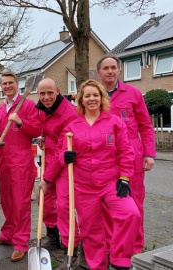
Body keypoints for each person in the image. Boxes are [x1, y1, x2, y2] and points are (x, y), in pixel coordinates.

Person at [41, 79, 140, 270]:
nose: (92, 99)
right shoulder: (73, 126)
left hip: (110, 182)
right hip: (84, 186)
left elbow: (126, 151)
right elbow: (60, 154)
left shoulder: (114, 122)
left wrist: (125, 177)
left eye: (95, 95)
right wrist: (64, 157)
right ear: (81, 100)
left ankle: (120, 260)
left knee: (130, 214)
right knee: (91, 231)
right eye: (87, 96)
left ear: (102, 98)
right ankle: (98, 266)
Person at [97, 55, 156, 254]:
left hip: (131, 158)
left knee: (134, 203)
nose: (110, 71)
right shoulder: (94, 95)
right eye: (106, 68)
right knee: (106, 206)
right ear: (99, 72)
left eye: (113, 67)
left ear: (118, 71)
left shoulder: (133, 93)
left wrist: (148, 154)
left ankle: (135, 249)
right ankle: (110, 247)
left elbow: (146, 126)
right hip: (104, 159)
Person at [0, 72, 41, 262]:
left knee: (21, 203)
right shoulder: (1, 110)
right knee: (7, 200)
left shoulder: (27, 105)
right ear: (1, 86)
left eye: (11, 82)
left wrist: (21, 122)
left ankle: (21, 242)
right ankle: (8, 233)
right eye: (4, 83)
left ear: (17, 84)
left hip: (21, 160)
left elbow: (37, 130)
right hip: (4, 160)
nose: (8, 86)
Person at [35, 78, 78, 269]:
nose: (46, 97)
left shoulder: (68, 112)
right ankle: (52, 237)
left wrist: (46, 178)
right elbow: (47, 129)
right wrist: (43, 137)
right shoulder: (43, 108)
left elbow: (63, 147)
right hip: (50, 157)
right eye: (42, 94)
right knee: (44, 200)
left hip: (64, 162)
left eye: (50, 93)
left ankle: (72, 250)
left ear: (58, 91)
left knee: (64, 205)